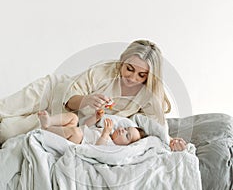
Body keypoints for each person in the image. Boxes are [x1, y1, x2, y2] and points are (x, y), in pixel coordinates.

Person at [0, 39, 186, 150]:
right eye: (129, 69)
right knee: (4, 109)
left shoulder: (149, 95)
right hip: (53, 93)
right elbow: (70, 97)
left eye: (142, 75)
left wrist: (171, 142)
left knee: (6, 132)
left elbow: (157, 127)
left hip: (65, 120)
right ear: (122, 62)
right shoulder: (104, 72)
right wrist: (86, 100)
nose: (132, 78)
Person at [38, 110, 146, 146]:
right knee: (74, 118)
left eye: (127, 135)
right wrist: (95, 118)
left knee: (76, 132)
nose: (123, 130)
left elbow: (98, 149)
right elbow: (86, 125)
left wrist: (104, 134)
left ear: (125, 146)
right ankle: (49, 122)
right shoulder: (110, 130)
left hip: (76, 142)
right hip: (76, 131)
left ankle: (46, 130)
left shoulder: (112, 146)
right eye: (126, 128)